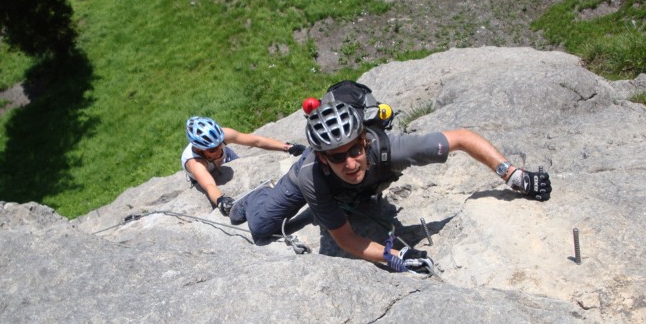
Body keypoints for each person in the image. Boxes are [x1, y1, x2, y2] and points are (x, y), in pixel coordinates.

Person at [229, 95, 551, 271]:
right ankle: (257, 196)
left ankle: (344, 198)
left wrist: (513, 175)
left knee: (352, 194)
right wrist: (396, 256)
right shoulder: (311, 176)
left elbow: (462, 139)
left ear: (364, 142)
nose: (350, 162)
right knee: (260, 228)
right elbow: (346, 239)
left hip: (346, 191)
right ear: (323, 158)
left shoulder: (390, 150)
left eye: (355, 151)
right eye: (337, 157)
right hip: (306, 185)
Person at [182, 116, 306, 215]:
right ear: (199, 149)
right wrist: (220, 201)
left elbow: (256, 141)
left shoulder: (221, 136)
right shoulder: (195, 163)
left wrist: (287, 147)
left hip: (227, 158)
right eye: (213, 149)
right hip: (206, 173)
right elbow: (209, 185)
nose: (219, 149)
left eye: (220, 143)